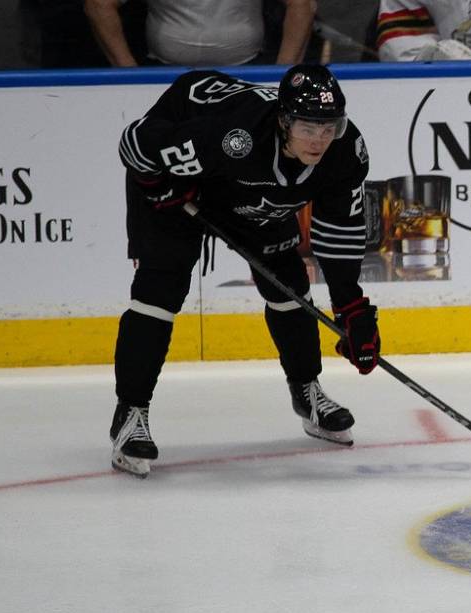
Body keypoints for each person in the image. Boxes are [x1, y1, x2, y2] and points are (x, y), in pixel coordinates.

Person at [109, 64, 378, 478]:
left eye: (329, 127)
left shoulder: (345, 150)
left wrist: (351, 309)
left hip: (249, 194)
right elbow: (135, 145)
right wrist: (155, 185)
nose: (320, 139)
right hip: (183, 187)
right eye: (308, 128)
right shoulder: (235, 136)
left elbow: (339, 232)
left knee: (288, 284)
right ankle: (130, 414)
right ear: (284, 121)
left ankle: (307, 390)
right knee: (159, 291)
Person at [85, 0, 315, 67]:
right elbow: (98, 5)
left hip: (249, 74)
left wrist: (283, 74)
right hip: (161, 77)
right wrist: (128, 74)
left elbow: (302, 5)